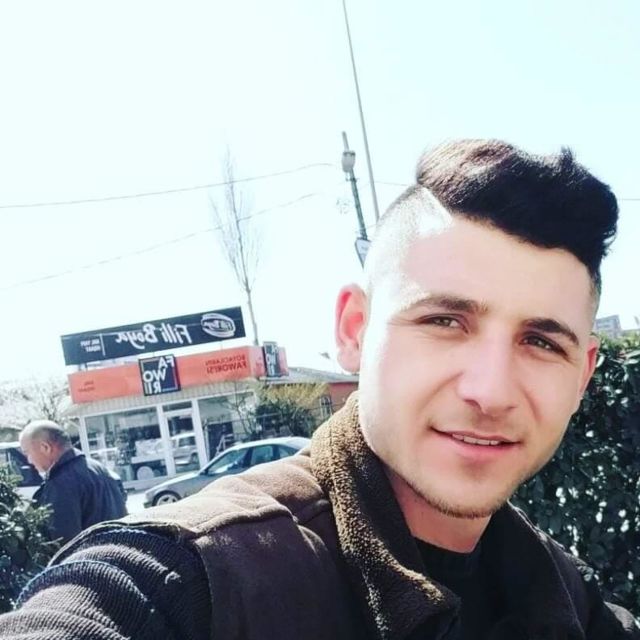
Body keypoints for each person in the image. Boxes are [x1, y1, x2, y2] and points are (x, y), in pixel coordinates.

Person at [1, 140, 637, 638]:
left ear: (582, 374)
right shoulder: (203, 578)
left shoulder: (561, 592)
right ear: (354, 331)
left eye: (541, 342)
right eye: (445, 322)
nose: (491, 391)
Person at [18, 420, 127, 544]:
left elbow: (64, 544)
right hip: (121, 550)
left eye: (27, 453)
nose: (29, 461)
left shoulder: (61, 483)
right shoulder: (98, 468)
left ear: (45, 447)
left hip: (92, 554)